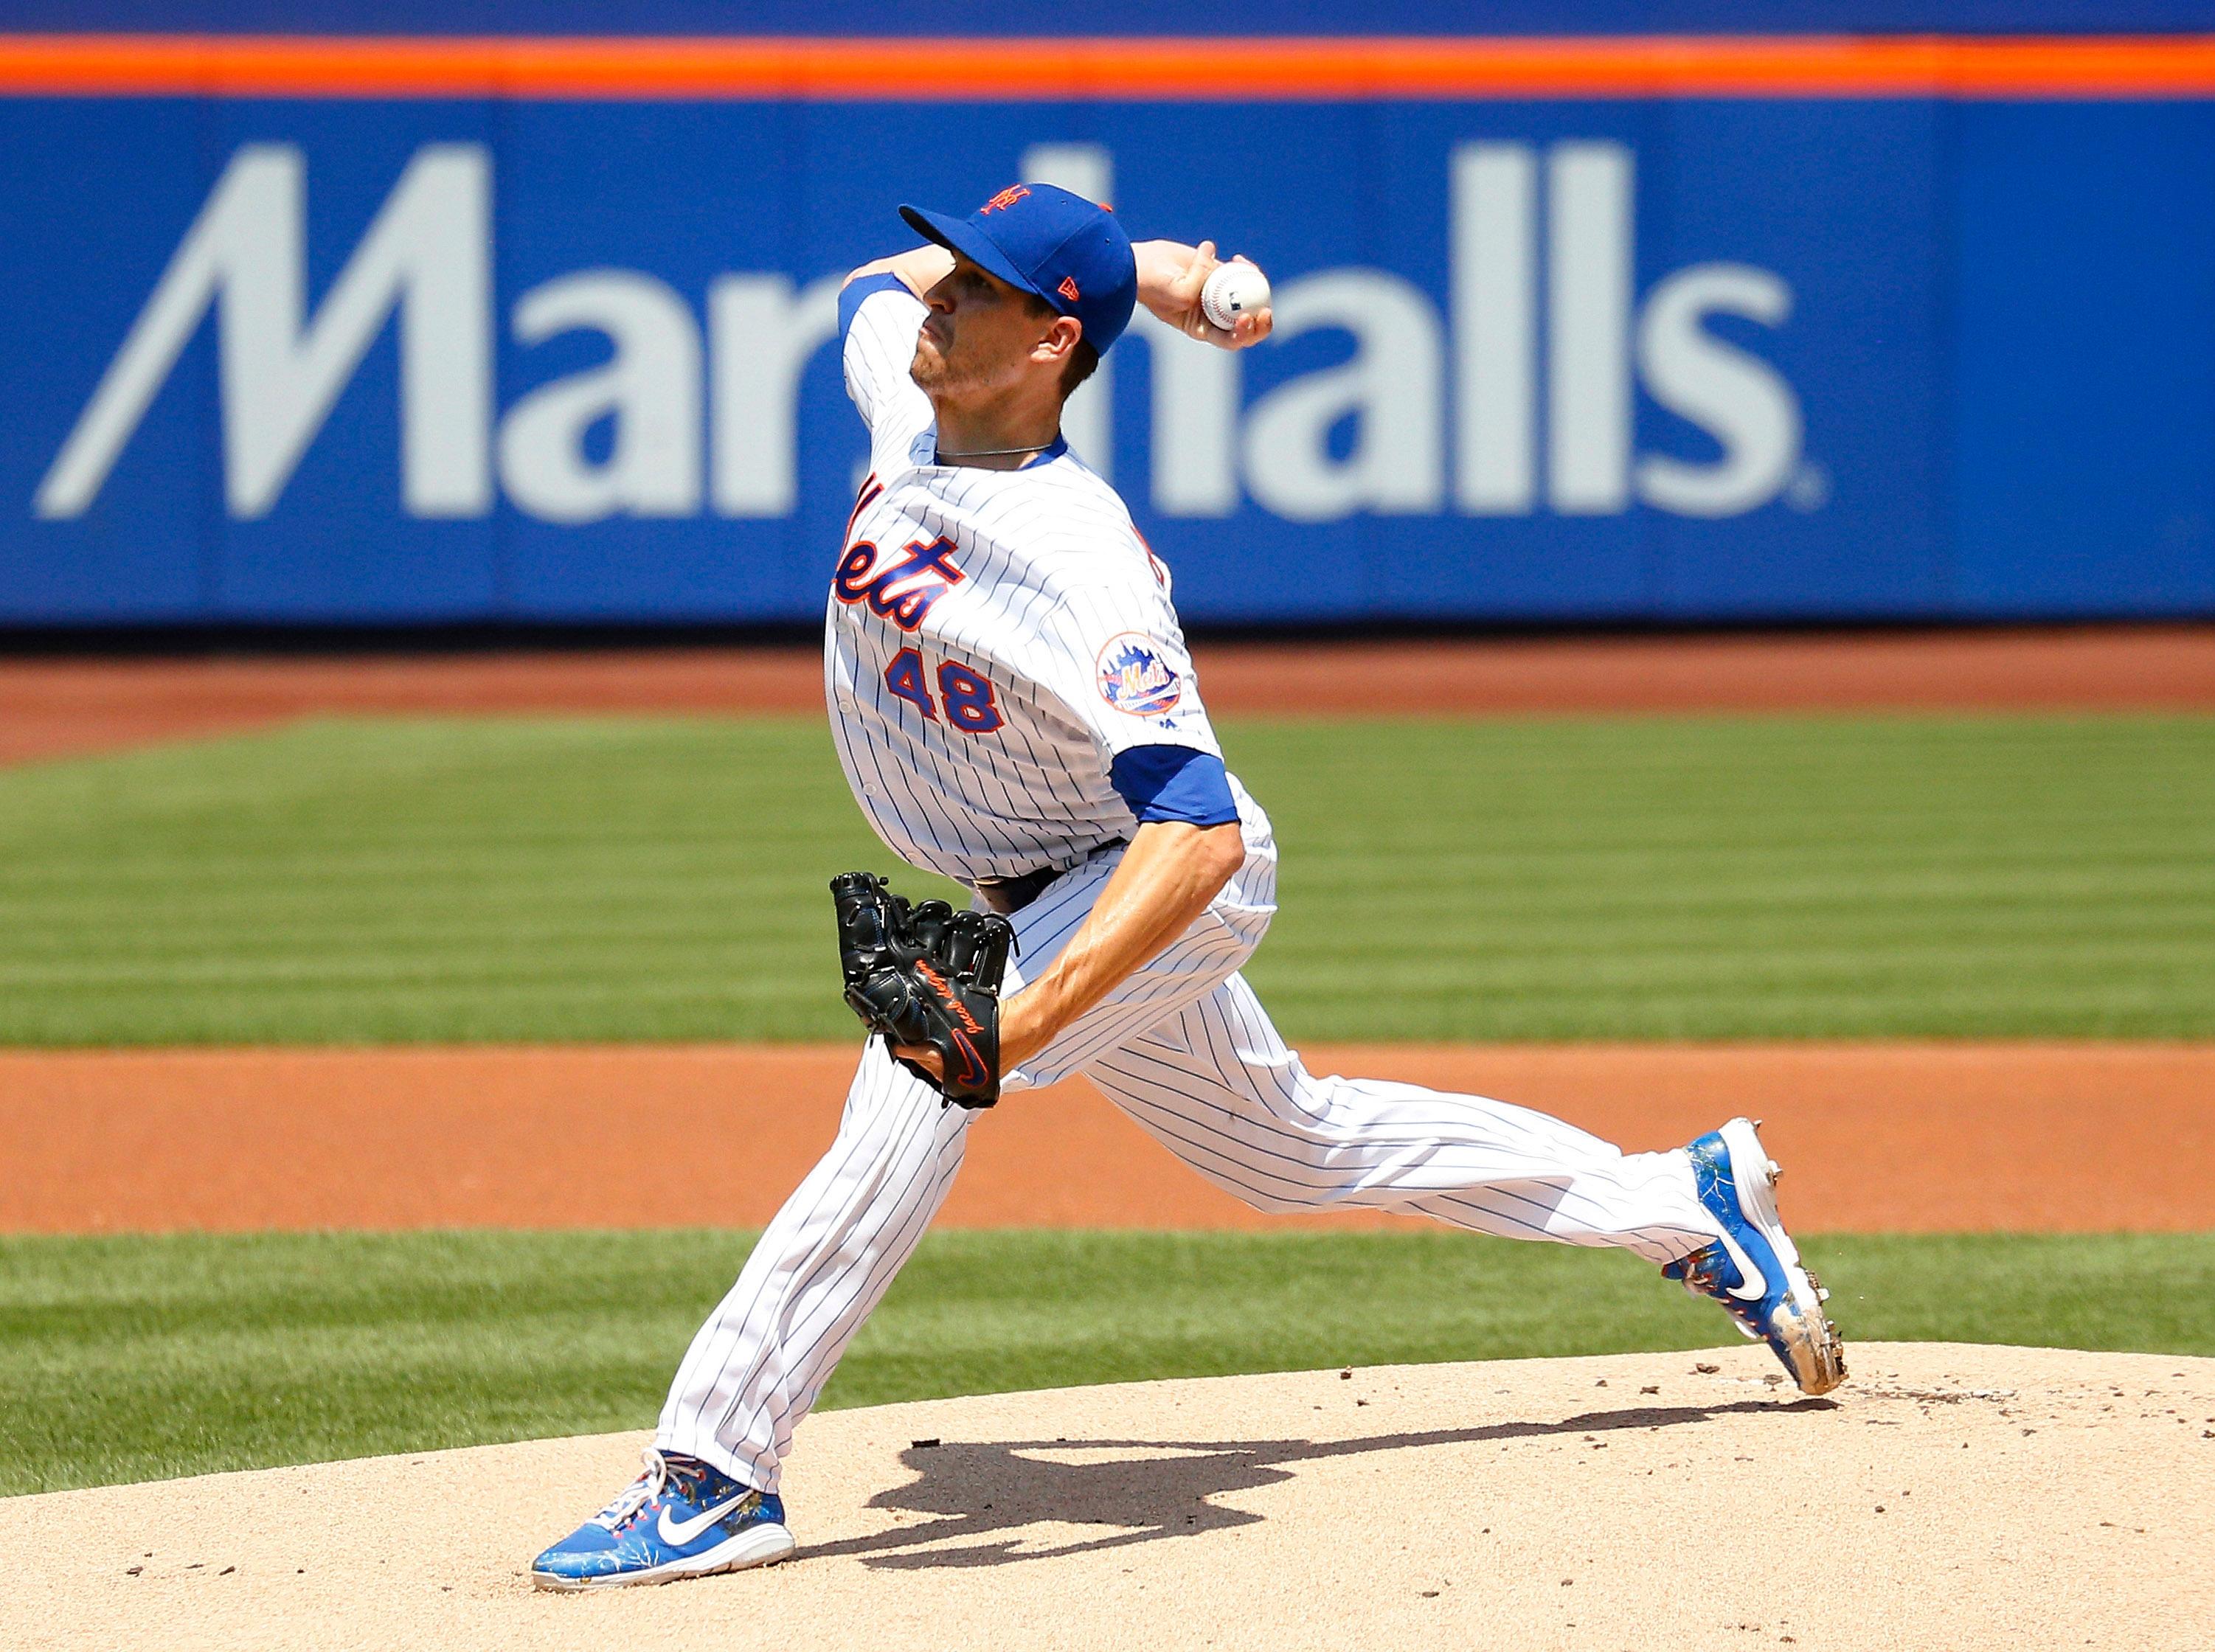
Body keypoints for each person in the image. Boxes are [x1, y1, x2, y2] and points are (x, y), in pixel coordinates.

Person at [530, 183, 1845, 1592]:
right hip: (1038, 873)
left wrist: (1010, 1037)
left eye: (979, 286)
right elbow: (867, 281)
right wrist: (1143, 269)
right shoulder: (908, 403)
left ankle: (717, 1472)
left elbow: (1201, 833)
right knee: (1291, 1147)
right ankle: (1683, 1201)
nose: (940, 295)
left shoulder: (1081, 557)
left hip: (1148, 880)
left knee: (917, 1080)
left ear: (1045, 345)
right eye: (957, 268)